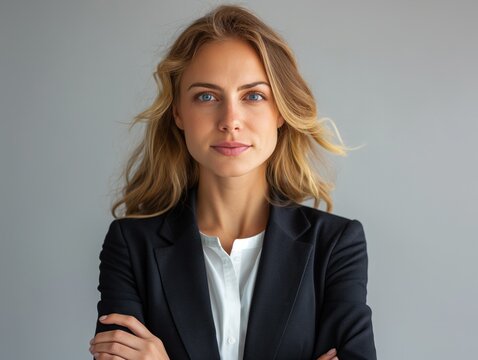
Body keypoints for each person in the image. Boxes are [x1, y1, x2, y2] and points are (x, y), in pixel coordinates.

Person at [88, 5, 376, 360]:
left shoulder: (335, 246)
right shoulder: (131, 247)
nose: (230, 120)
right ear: (178, 112)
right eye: (206, 96)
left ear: (280, 110)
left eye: (253, 96)